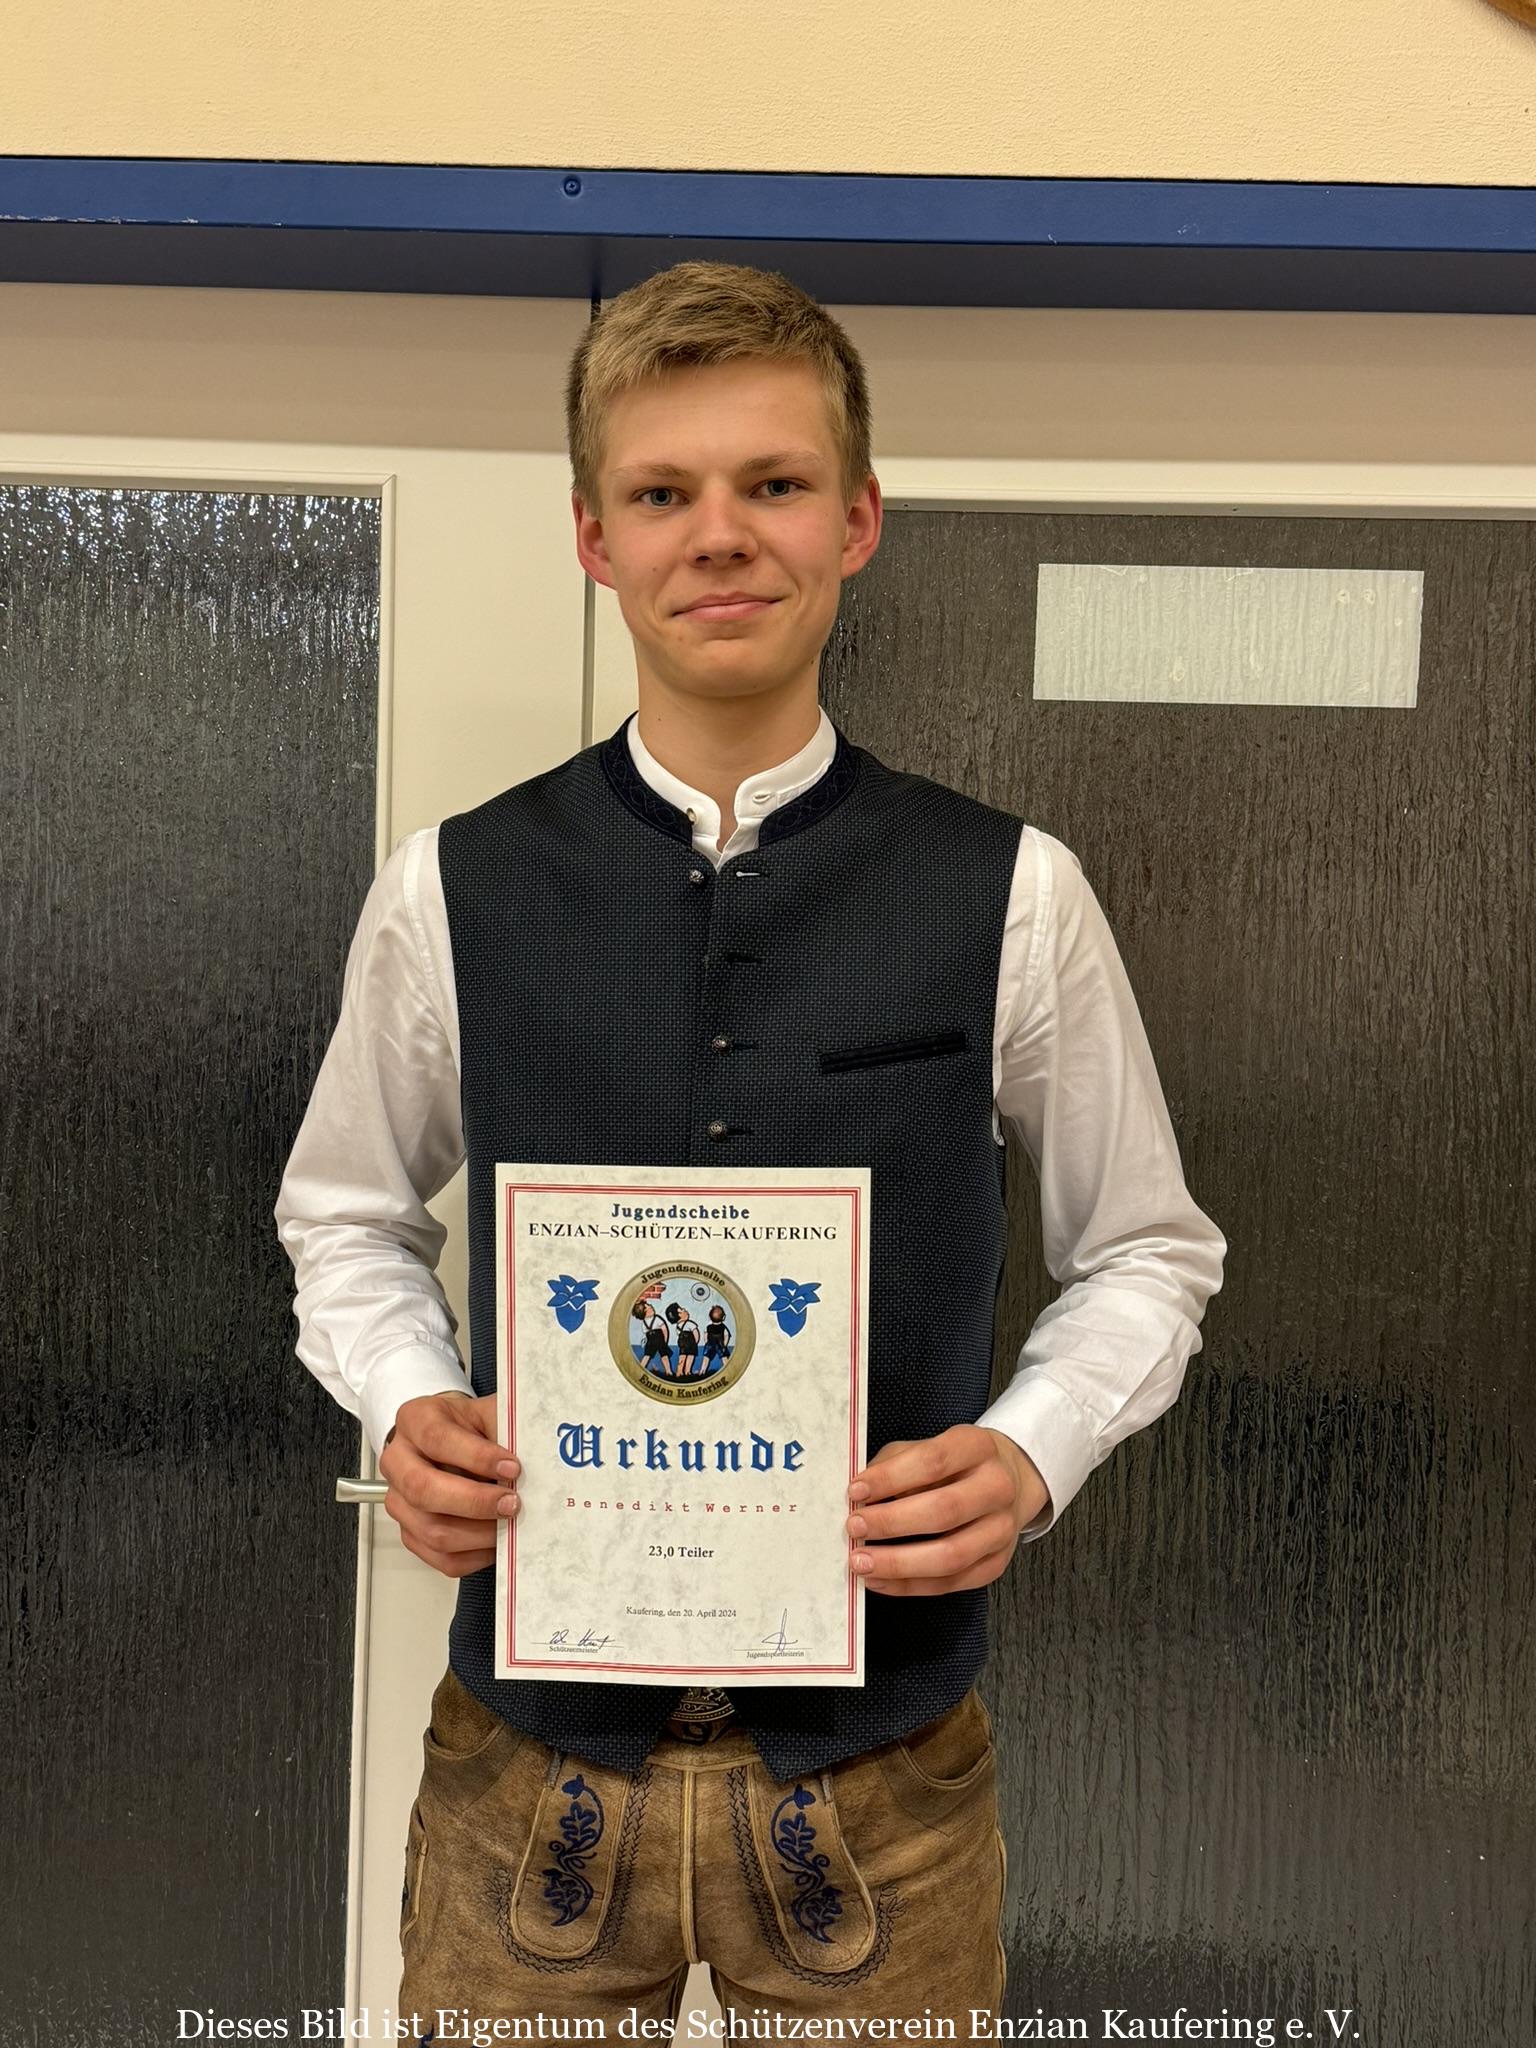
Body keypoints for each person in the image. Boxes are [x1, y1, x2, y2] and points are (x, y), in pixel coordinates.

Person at [274, 258, 1226, 2032]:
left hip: (886, 1792)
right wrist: (404, 1402)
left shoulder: (1014, 893)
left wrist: (1030, 1455)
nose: (720, 533)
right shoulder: (450, 889)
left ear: (856, 521)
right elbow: (344, 1215)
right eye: (663, 493)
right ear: (594, 538)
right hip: (524, 1788)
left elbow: (1149, 1253)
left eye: (773, 483)